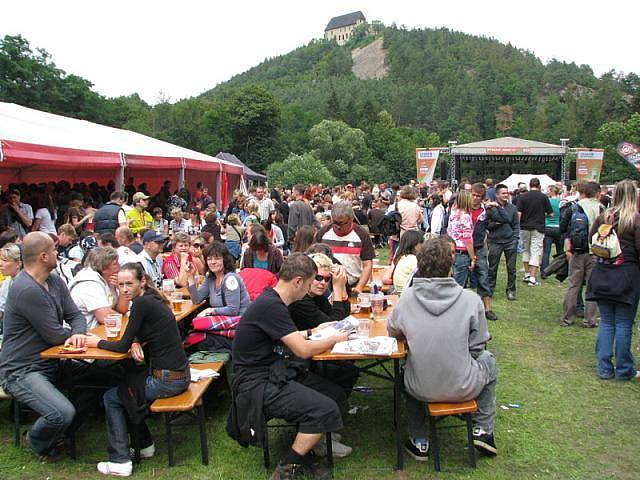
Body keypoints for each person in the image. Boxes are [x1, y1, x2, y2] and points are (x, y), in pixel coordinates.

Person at [227, 254, 351, 479]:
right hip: (256, 384)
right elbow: (302, 350)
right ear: (297, 281)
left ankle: (316, 444)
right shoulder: (271, 306)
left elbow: (288, 336)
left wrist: (316, 330)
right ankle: (287, 467)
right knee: (325, 408)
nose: (309, 290)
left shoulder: (272, 300)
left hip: (271, 372)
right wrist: (335, 339)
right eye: (309, 283)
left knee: (333, 393)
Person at [387, 237, 498, 460]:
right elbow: (477, 347)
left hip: (420, 385)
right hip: (463, 383)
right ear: (450, 264)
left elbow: (392, 331)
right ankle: (483, 429)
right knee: (489, 360)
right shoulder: (471, 300)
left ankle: (419, 439)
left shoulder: (408, 298)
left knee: (409, 369)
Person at [85, 262, 189, 477]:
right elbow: (136, 335)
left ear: (142, 281)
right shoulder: (151, 299)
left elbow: (121, 345)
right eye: (120, 284)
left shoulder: (141, 303)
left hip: (167, 380)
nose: (124, 289)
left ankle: (120, 460)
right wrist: (135, 342)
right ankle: (144, 445)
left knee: (113, 397)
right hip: (178, 375)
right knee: (128, 385)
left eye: (129, 284)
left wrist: (96, 342)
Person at [0, 232, 87, 461]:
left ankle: (65, 432)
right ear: (43, 256)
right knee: (62, 412)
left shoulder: (55, 280)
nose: (58, 253)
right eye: (54, 250)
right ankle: (37, 439)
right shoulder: (26, 289)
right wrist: (73, 336)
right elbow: (54, 335)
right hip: (22, 369)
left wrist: (78, 334)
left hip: (52, 360)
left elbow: (76, 315)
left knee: (105, 375)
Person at [587, 180, 640, 379]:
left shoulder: (604, 217)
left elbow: (591, 240)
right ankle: (624, 369)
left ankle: (604, 368)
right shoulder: (634, 219)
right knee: (624, 323)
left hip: (603, 272)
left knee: (607, 322)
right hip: (627, 274)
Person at [186, 242, 250, 352]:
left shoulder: (230, 279)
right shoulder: (210, 278)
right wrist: (190, 276)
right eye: (209, 259)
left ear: (224, 260)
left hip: (238, 328)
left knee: (196, 339)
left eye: (217, 258)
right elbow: (197, 299)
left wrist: (210, 310)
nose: (213, 262)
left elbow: (233, 310)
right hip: (224, 325)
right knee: (192, 335)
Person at [559, 181, 602, 328]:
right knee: (592, 286)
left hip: (577, 251)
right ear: (596, 193)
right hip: (596, 251)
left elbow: (563, 227)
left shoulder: (573, 207)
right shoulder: (601, 208)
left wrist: (568, 244)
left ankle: (567, 318)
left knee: (573, 285)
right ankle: (590, 319)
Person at [315, 201, 375, 294]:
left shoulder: (361, 234)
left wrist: (359, 286)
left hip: (352, 286)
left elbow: (367, 264)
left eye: (341, 223)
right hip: (327, 287)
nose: (338, 227)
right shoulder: (323, 233)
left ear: (351, 219)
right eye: (335, 222)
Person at [69, 247, 128, 330]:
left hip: (101, 330)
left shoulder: (108, 278)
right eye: (115, 264)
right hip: (85, 334)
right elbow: (106, 317)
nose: (119, 267)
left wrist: (122, 288)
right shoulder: (88, 284)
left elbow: (122, 310)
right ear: (103, 268)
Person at [517, 178, 553, 286]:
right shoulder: (543, 197)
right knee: (536, 251)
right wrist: (542, 214)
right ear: (539, 185)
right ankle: (532, 277)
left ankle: (527, 273)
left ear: (529, 185)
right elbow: (551, 213)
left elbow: (518, 213)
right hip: (538, 227)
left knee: (526, 250)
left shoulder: (523, 197)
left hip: (524, 227)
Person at [487, 184, 520, 301]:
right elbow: (487, 224)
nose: (506, 195)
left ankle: (511, 290)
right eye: (503, 193)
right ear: (497, 195)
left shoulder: (512, 208)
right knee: (492, 267)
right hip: (495, 241)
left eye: (507, 193)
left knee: (511, 268)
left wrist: (515, 238)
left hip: (510, 241)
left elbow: (516, 224)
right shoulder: (491, 208)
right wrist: (497, 224)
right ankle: (490, 289)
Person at [469, 184, 496, 320]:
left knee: (483, 276)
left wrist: (494, 206)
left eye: (478, 196)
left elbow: (504, 219)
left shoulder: (485, 212)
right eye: (473, 195)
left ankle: (487, 309)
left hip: (479, 247)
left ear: (482, 198)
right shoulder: (462, 208)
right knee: (459, 278)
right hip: (461, 248)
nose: (474, 198)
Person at [447, 190, 475, 288]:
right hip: (462, 252)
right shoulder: (466, 217)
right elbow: (467, 239)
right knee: (459, 286)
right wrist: (473, 257)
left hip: (451, 250)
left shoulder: (453, 214)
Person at [383, 230, 422, 295]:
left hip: (398, 292)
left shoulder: (401, 258)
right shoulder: (413, 260)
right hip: (407, 295)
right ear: (415, 245)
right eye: (421, 243)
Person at [0, 243, 22, 325]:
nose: (0, 264)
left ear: (18, 264)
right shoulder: (9, 280)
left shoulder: (27, 284)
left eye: (5, 260)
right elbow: (1, 310)